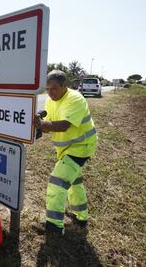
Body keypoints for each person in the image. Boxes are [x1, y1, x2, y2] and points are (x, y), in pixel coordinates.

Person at [34, 70, 98, 236]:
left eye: (54, 88)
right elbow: (49, 125)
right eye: (47, 88)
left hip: (81, 147)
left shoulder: (75, 99)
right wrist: (40, 125)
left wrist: (41, 124)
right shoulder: (50, 101)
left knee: (57, 182)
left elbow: (63, 125)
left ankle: (54, 226)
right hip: (66, 149)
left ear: (64, 86)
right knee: (74, 182)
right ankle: (81, 216)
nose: (50, 92)